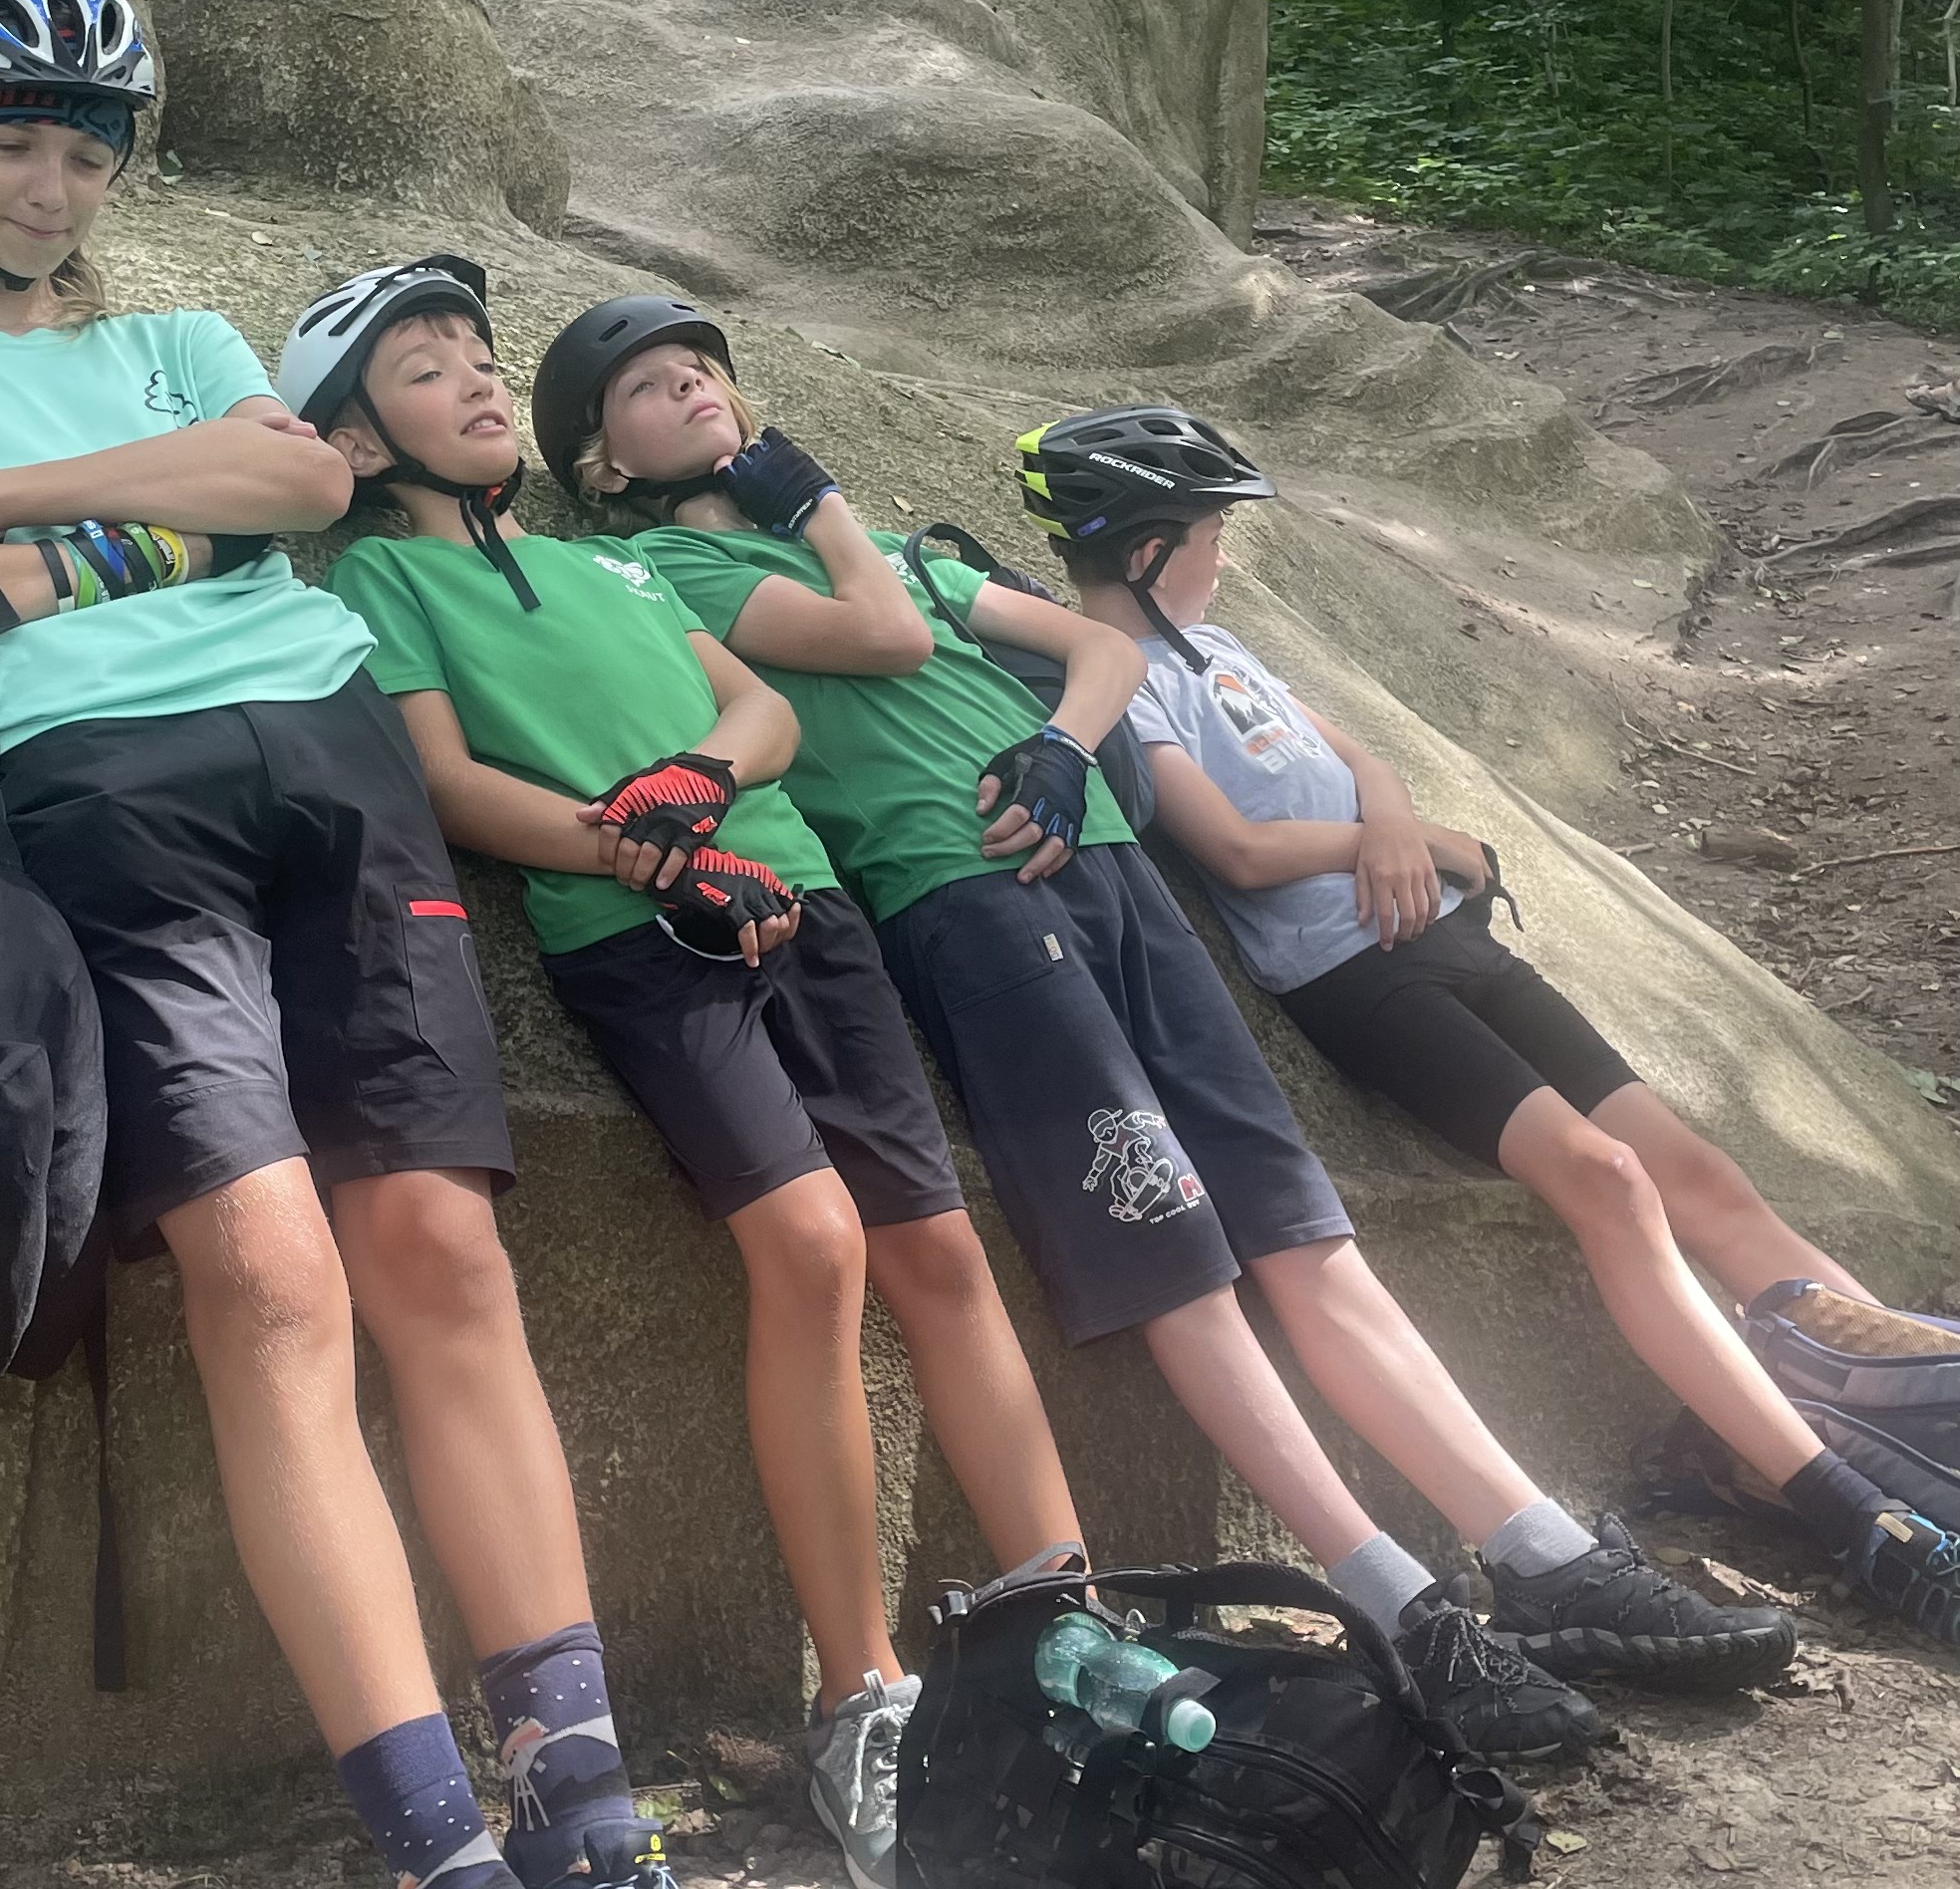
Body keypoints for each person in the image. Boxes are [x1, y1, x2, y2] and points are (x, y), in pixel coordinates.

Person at [0, 0, 802, 1889]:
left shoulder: (179, 328)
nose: (55, 183)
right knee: (271, 1282)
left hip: (327, 760)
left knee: (444, 1263)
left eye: (88, 147)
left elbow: (295, 484)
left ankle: (599, 1847)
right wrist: (152, 524)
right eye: (17, 141)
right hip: (95, 797)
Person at [531, 303, 1800, 1763]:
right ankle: (1393, 1602)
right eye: (646, 385)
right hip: (962, 897)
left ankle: (1539, 1550)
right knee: (1176, 1255)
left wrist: (1062, 746)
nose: (692, 384)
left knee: (1298, 1225)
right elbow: (884, 637)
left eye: (702, 366)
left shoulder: (899, 546)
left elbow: (1100, 649)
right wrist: (813, 505)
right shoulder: (684, 569)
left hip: (1112, 862)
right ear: (603, 465)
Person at [278, 263, 1093, 1889]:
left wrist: (701, 785)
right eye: (426, 370)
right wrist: (640, 852)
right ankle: (860, 1695)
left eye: (482, 358)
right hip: (639, 937)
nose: (478, 382)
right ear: (356, 442)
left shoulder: (617, 563)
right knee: (814, 1245)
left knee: (938, 1251)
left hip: (806, 897)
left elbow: (761, 705)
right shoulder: (379, 577)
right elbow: (446, 781)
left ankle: (1071, 1632)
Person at [1029, 405, 1960, 1659]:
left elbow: (1359, 758)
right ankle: (1857, 1512)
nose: (1224, 557)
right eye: (1208, 537)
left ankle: (1913, 1414)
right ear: (1147, 552)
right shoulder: (1120, 676)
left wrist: (1400, 822)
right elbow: (1235, 850)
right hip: (1357, 978)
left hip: (1451, 938)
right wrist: (1381, 846)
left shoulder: (1220, 643)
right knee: (1608, 1179)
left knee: (1697, 1172)